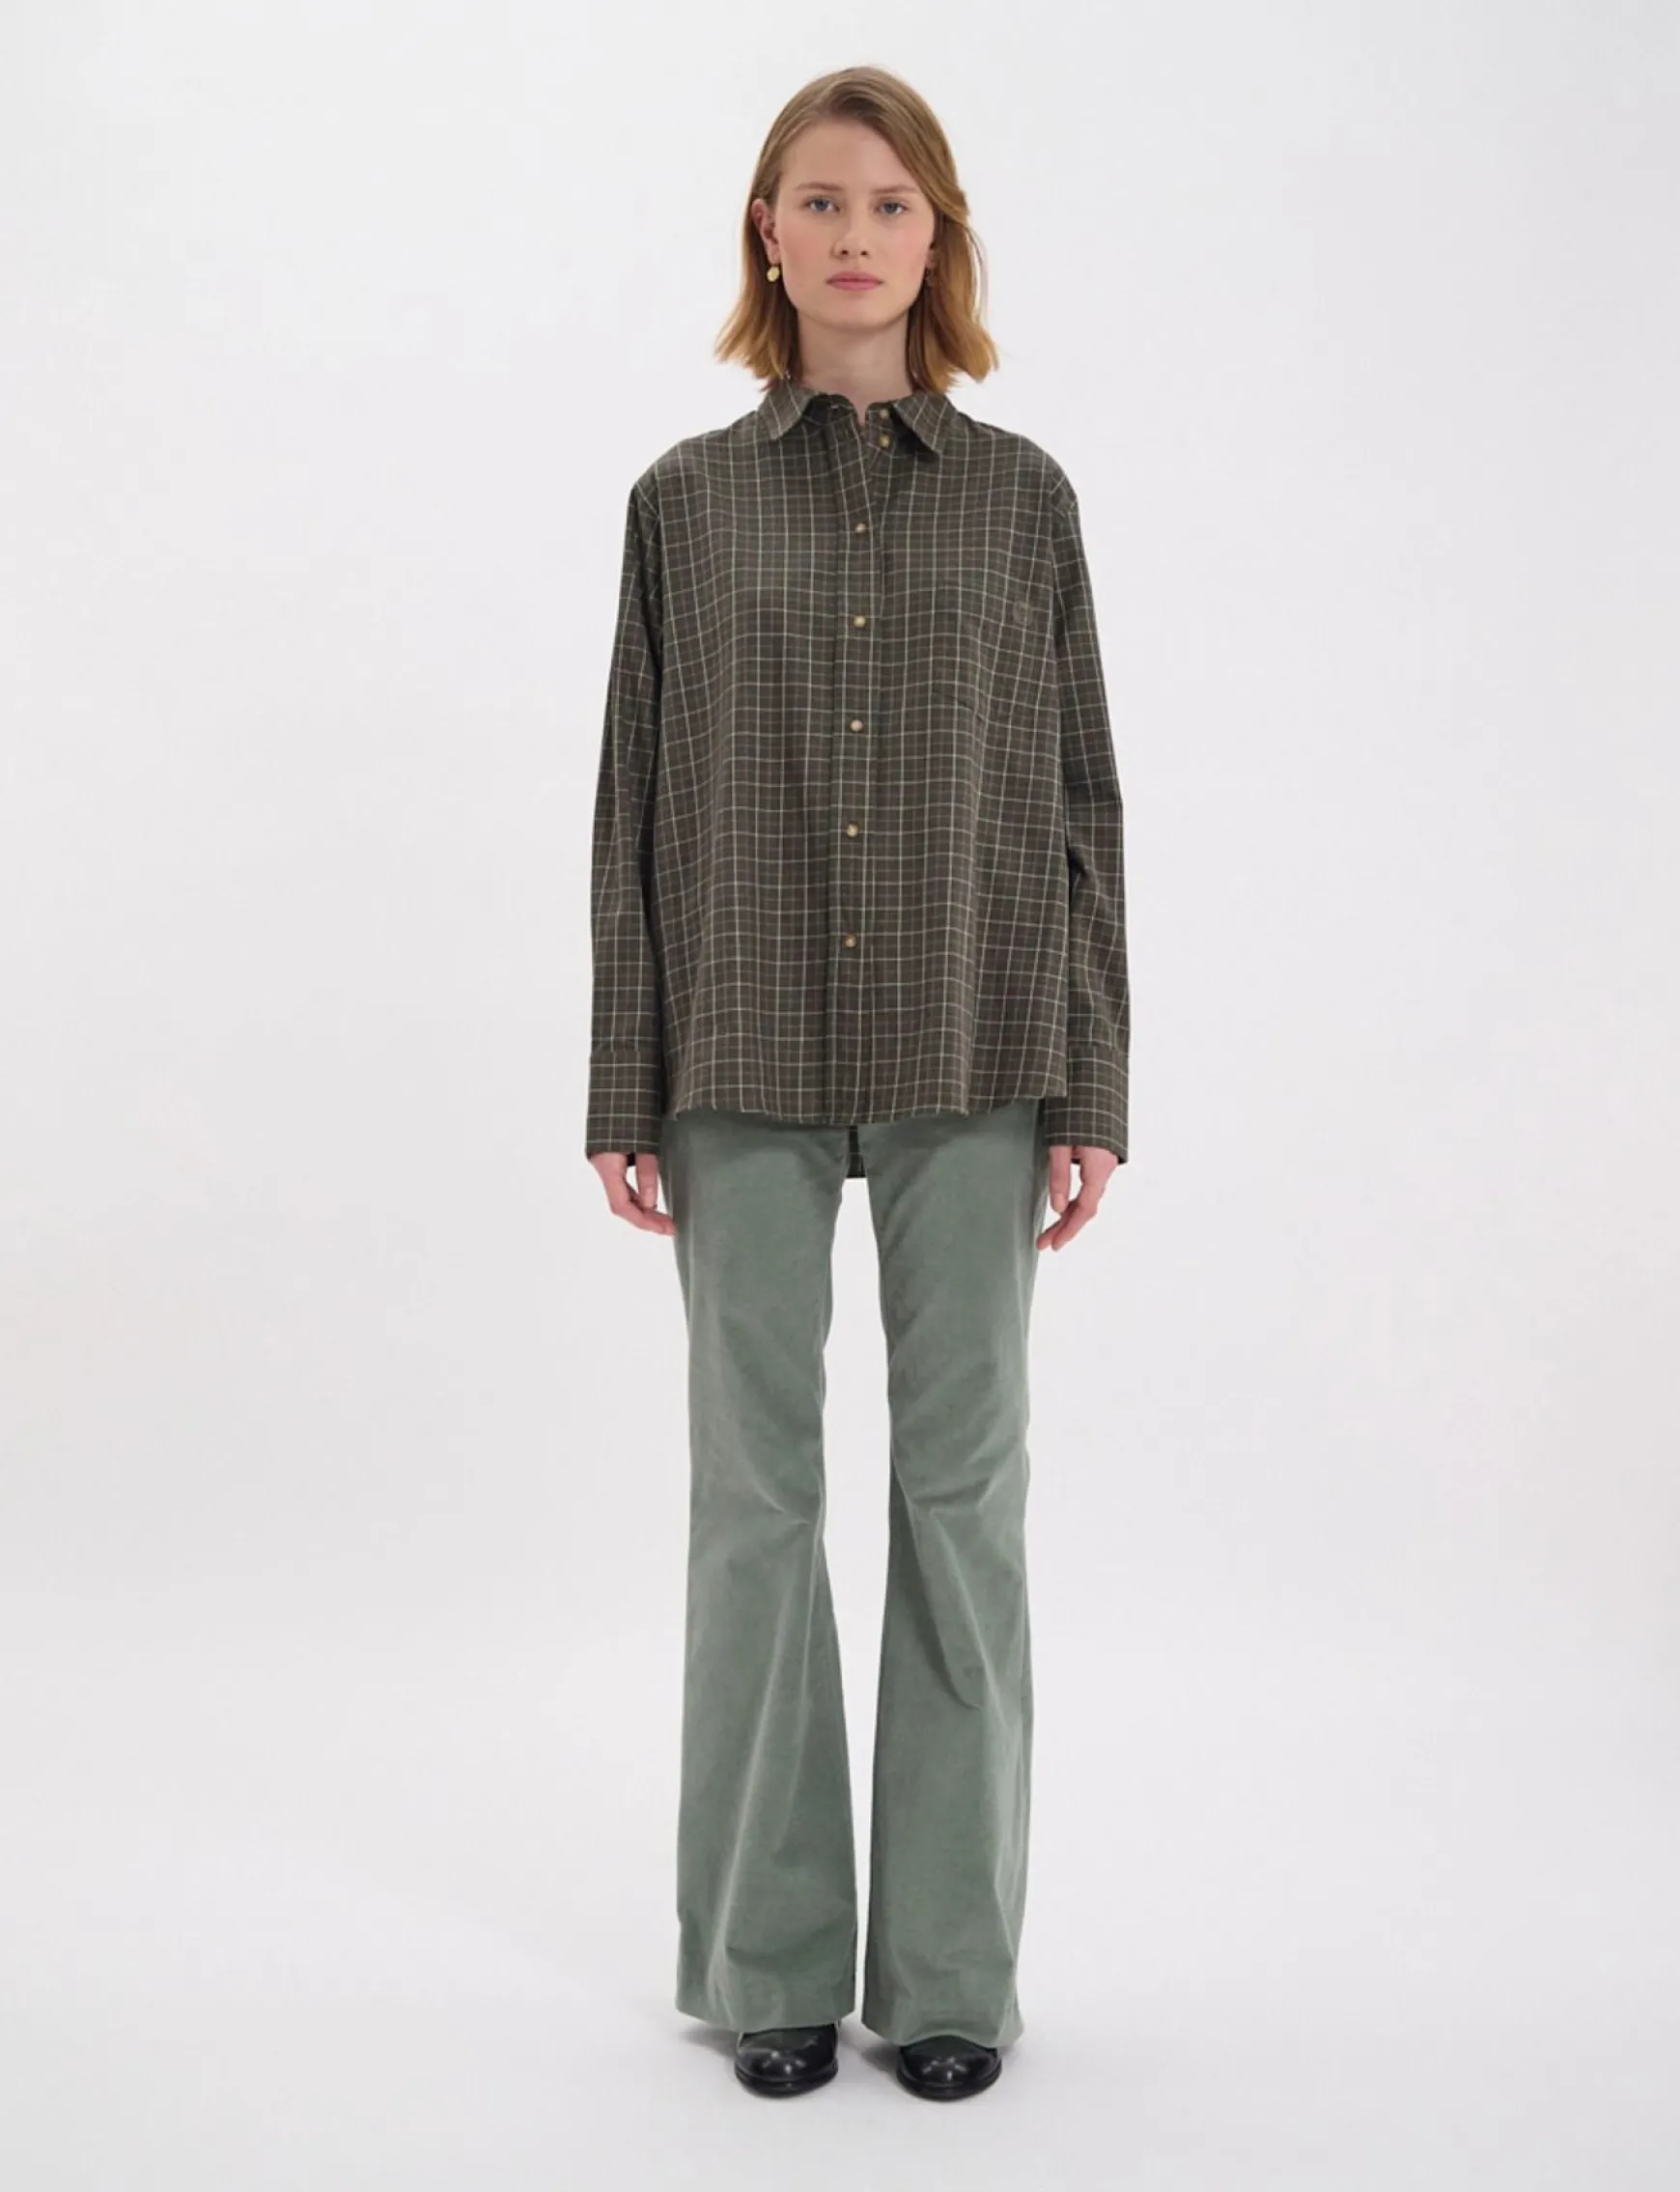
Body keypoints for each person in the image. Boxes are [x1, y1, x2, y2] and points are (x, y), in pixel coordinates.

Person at [585, 64, 1129, 2102]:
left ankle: (954, 1976)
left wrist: (1093, 1080)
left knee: (964, 1499)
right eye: (818, 199)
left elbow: (1081, 800)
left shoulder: (1024, 500)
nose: (853, 235)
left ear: (937, 236)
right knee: (756, 1497)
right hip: (735, 1041)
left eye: (891, 204)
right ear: (768, 231)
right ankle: (770, 1960)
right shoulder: (683, 501)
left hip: (978, 1040)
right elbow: (630, 802)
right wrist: (623, 1078)